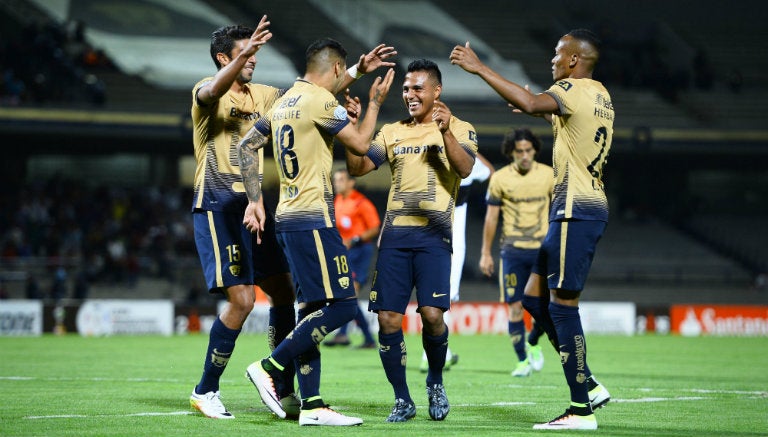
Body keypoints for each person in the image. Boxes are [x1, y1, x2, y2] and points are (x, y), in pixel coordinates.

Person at [451, 28, 613, 430]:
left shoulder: (571, 88)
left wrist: (479, 68)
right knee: (532, 298)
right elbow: (551, 113)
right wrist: (537, 109)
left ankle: (580, 408)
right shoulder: (601, 95)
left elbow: (529, 98)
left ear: (575, 60)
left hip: (576, 208)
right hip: (579, 207)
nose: (553, 61)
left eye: (558, 55)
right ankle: (587, 382)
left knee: (561, 306)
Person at [239, 37, 395, 426]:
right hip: (313, 219)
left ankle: (313, 405)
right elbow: (359, 144)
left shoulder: (286, 100)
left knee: (310, 309)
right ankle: (270, 367)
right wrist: (374, 103)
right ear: (337, 69)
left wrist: (255, 199)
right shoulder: (323, 103)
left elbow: (246, 146)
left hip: (286, 217)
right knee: (342, 304)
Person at [345, 59, 478, 423]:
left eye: (417, 88)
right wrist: (359, 119)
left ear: (437, 91)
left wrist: (446, 131)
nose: (409, 95)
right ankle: (402, 398)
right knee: (388, 318)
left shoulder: (461, 128)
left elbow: (466, 169)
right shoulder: (391, 131)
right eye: (406, 89)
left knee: (433, 315)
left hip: (435, 238)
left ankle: (435, 381)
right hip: (394, 239)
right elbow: (357, 169)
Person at [188, 17, 298, 420]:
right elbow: (213, 87)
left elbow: (304, 100)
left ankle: (281, 386)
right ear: (223, 57)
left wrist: (352, 75)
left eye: (255, 51)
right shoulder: (206, 92)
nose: (253, 58)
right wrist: (243, 57)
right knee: (244, 300)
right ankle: (206, 390)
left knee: (285, 292)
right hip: (217, 206)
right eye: (244, 51)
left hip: (256, 207)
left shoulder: (266, 95)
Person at [478, 129, 552, 378]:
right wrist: (485, 253)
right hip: (512, 251)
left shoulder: (549, 176)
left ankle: (533, 341)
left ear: (535, 151)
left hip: (542, 251)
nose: (524, 156)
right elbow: (491, 217)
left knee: (546, 307)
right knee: (515, 307)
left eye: (528, 151)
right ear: (511, 152)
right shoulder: (499, 178)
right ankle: (522, 361)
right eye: (519, 151)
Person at [419, 152, 493, 372]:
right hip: (451, 238)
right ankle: (431, 353)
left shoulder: (429, 156)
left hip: (425, 230)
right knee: (443, 297)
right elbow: (490, 171)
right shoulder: (468, 160)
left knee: (433, 295)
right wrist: (471, 150)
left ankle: (440, 351)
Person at [324, 168, 380, 349]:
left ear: (351, 182)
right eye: (335, 180)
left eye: (340, 180)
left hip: (360, 251)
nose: (337, 183)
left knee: (349, 293)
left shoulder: (361, 203)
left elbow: (374, 228)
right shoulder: (338, 200)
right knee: (347, 295)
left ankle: (345, 335)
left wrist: (355, 240)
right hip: (345, 252)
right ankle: (364, 338)